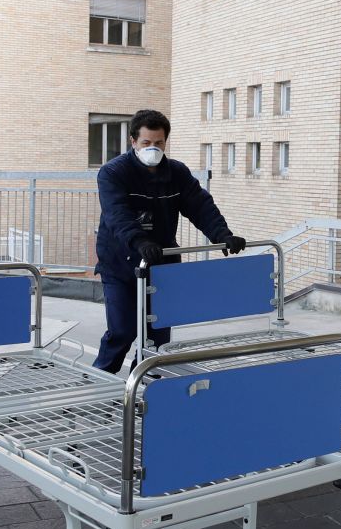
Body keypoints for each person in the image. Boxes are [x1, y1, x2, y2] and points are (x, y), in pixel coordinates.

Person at [93, 109, 245, 374]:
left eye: (159, 143)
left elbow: (200, 206)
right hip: (120, 264)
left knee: (158, 337)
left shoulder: (176, 173)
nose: (153, 148)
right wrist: (139, 241)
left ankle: (142, 386)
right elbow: (117, 214)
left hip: (162, 266)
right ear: (133, 142)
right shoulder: (113, 173)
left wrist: (222, 235)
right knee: (122, 331)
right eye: (146, 143)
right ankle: (98, 381)